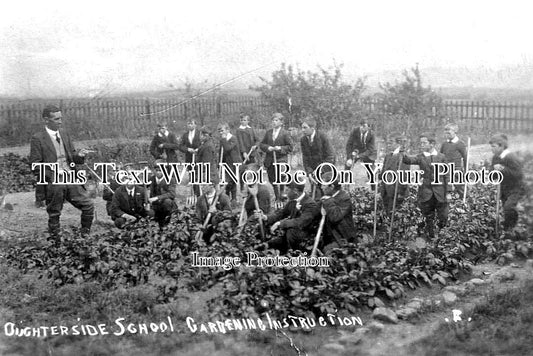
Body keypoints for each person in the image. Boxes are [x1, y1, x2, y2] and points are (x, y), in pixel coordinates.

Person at [29, 105, 94, 238]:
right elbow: (35, 165)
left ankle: (85, 236)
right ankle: (55, 241)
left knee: (88, 205)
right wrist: (52, 177)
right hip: (54, 181)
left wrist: (79, 156)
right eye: (56, 119)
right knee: (54, 212)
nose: (60, 121)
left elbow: (72, 158)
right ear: (46, 120)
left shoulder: (64, 134)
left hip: (70, 177)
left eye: (61, 118)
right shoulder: (38, 138)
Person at [401, 133, 449, 239]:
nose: (421, 145)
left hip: (440, 192)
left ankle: (442, 237)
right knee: (428, 216)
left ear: (432, 144)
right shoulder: (420, 157)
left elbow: (447, 175)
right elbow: (408, 160)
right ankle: (431, 237)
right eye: (421, 143)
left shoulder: (441, 157)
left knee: (443, 215)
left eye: (424, 143)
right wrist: (402, 151)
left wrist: (448, 191)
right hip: (426, 192)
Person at [255, 180, 320, 254]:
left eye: (287, 190)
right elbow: (280, 214)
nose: (285, 193)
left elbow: (301, 222)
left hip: (305, 237)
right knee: (268, 245)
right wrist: (265, 217)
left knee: (290, 232)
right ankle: (268, 247)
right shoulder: (292, 201)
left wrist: (280, 224)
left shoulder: (310, 205)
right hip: (291, 235)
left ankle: (294, 254)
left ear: (295, 191)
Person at [489, 134, 526, 233]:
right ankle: (509, 228)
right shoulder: (495, 158)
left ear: (501, 146)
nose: (492, 149)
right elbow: (492, 174)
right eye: (491, 147)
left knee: (508, 207)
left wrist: (503, 169)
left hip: (516, 187)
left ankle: (511, 228)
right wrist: (493, 171)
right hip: (504, 188)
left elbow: (519, 174)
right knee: (507, 208)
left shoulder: (511, 157)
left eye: (494, 147)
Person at [259, 113, 293, 202]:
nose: (274, 122)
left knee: (281, 176)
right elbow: (262, 144)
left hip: (280, 159)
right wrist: (268, 148)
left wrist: (280, 148)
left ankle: (282, 193)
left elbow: (290, 147)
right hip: (270, 160)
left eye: (276, 120)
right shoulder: (269, 132)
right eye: (273, 120)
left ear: (281, 122)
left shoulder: (285, 133)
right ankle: (277, 195)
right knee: (272, 178)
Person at [319, 172, 357, 251]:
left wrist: (328, 201)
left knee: (327, 251)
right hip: (329, 235)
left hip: (342, 238)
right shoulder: (328, 196)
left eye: (323, 185)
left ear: (332, 186)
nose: (321, 187)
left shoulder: (344, 198)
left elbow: (335, 217)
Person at [300, 117, 335, 199]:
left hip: (326, 169)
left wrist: (319, 170)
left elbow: (330, 156)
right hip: (312, 172)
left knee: (328, 194)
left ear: (312, 128)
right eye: (302, 128)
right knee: (316, 195)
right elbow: (305, 158)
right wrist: (309, 173)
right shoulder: (303, 140)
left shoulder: (323, 137)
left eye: (305, 128)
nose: (302, 130)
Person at [380, 134, 410, 216]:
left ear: (398, 143)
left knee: (395, 216)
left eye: (391, 143)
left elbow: (404, 176)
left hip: (397, 193)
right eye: (388, 143)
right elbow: (383, 173)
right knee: (387, 215)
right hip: (386, 192)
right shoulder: (388, 156)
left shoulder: (403, 157)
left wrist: (400, 193)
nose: (388, 145)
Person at [440, 123, 468, 198]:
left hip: (456, 169)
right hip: (446, 169)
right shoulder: (444, 144)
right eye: (445, 133)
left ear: (455, 131)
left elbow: (465, 158)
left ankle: (464, 203)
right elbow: (441, 156)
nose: (447, 135)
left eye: (449, 133)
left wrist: (466, 171)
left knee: (460, 188)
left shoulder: (460, 144)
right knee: (445, 188)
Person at [218, 122, 241, 207]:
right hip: (225, 163)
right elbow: (221, 152)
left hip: (233, 163)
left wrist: (224, 139)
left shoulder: (233, 138)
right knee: (226, 180)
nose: (221, 133)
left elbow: (227, 148)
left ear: (228, 130)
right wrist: (219, 164)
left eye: (222, 131)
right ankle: (227, 197)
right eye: (219, 131)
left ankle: (234, 199)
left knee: (232, 180)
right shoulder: (222, 139)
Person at [148, 160, 178, 227]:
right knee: (149, 212)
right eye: (156, 170)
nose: (158, 172)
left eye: (160, 170)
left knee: (167, 202)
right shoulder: (151, 179)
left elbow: (172, 194)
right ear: (153, 170)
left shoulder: (170, 179)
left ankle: (168, 223)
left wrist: (157, 198)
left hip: (166, 206)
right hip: (155, 205)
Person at [178, 119, 202, 196]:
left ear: (195, 125)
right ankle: (195, 194)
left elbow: (204, 144)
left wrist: (198, 149)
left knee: (198, 176)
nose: (189, 125)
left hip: (198, 158)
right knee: (192, 176)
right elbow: (181, 146)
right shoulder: (185, 135)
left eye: (191, 124)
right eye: (188, 124)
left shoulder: (200, 134)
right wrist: (188, 149)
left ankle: (200, 194)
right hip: (189, 158)